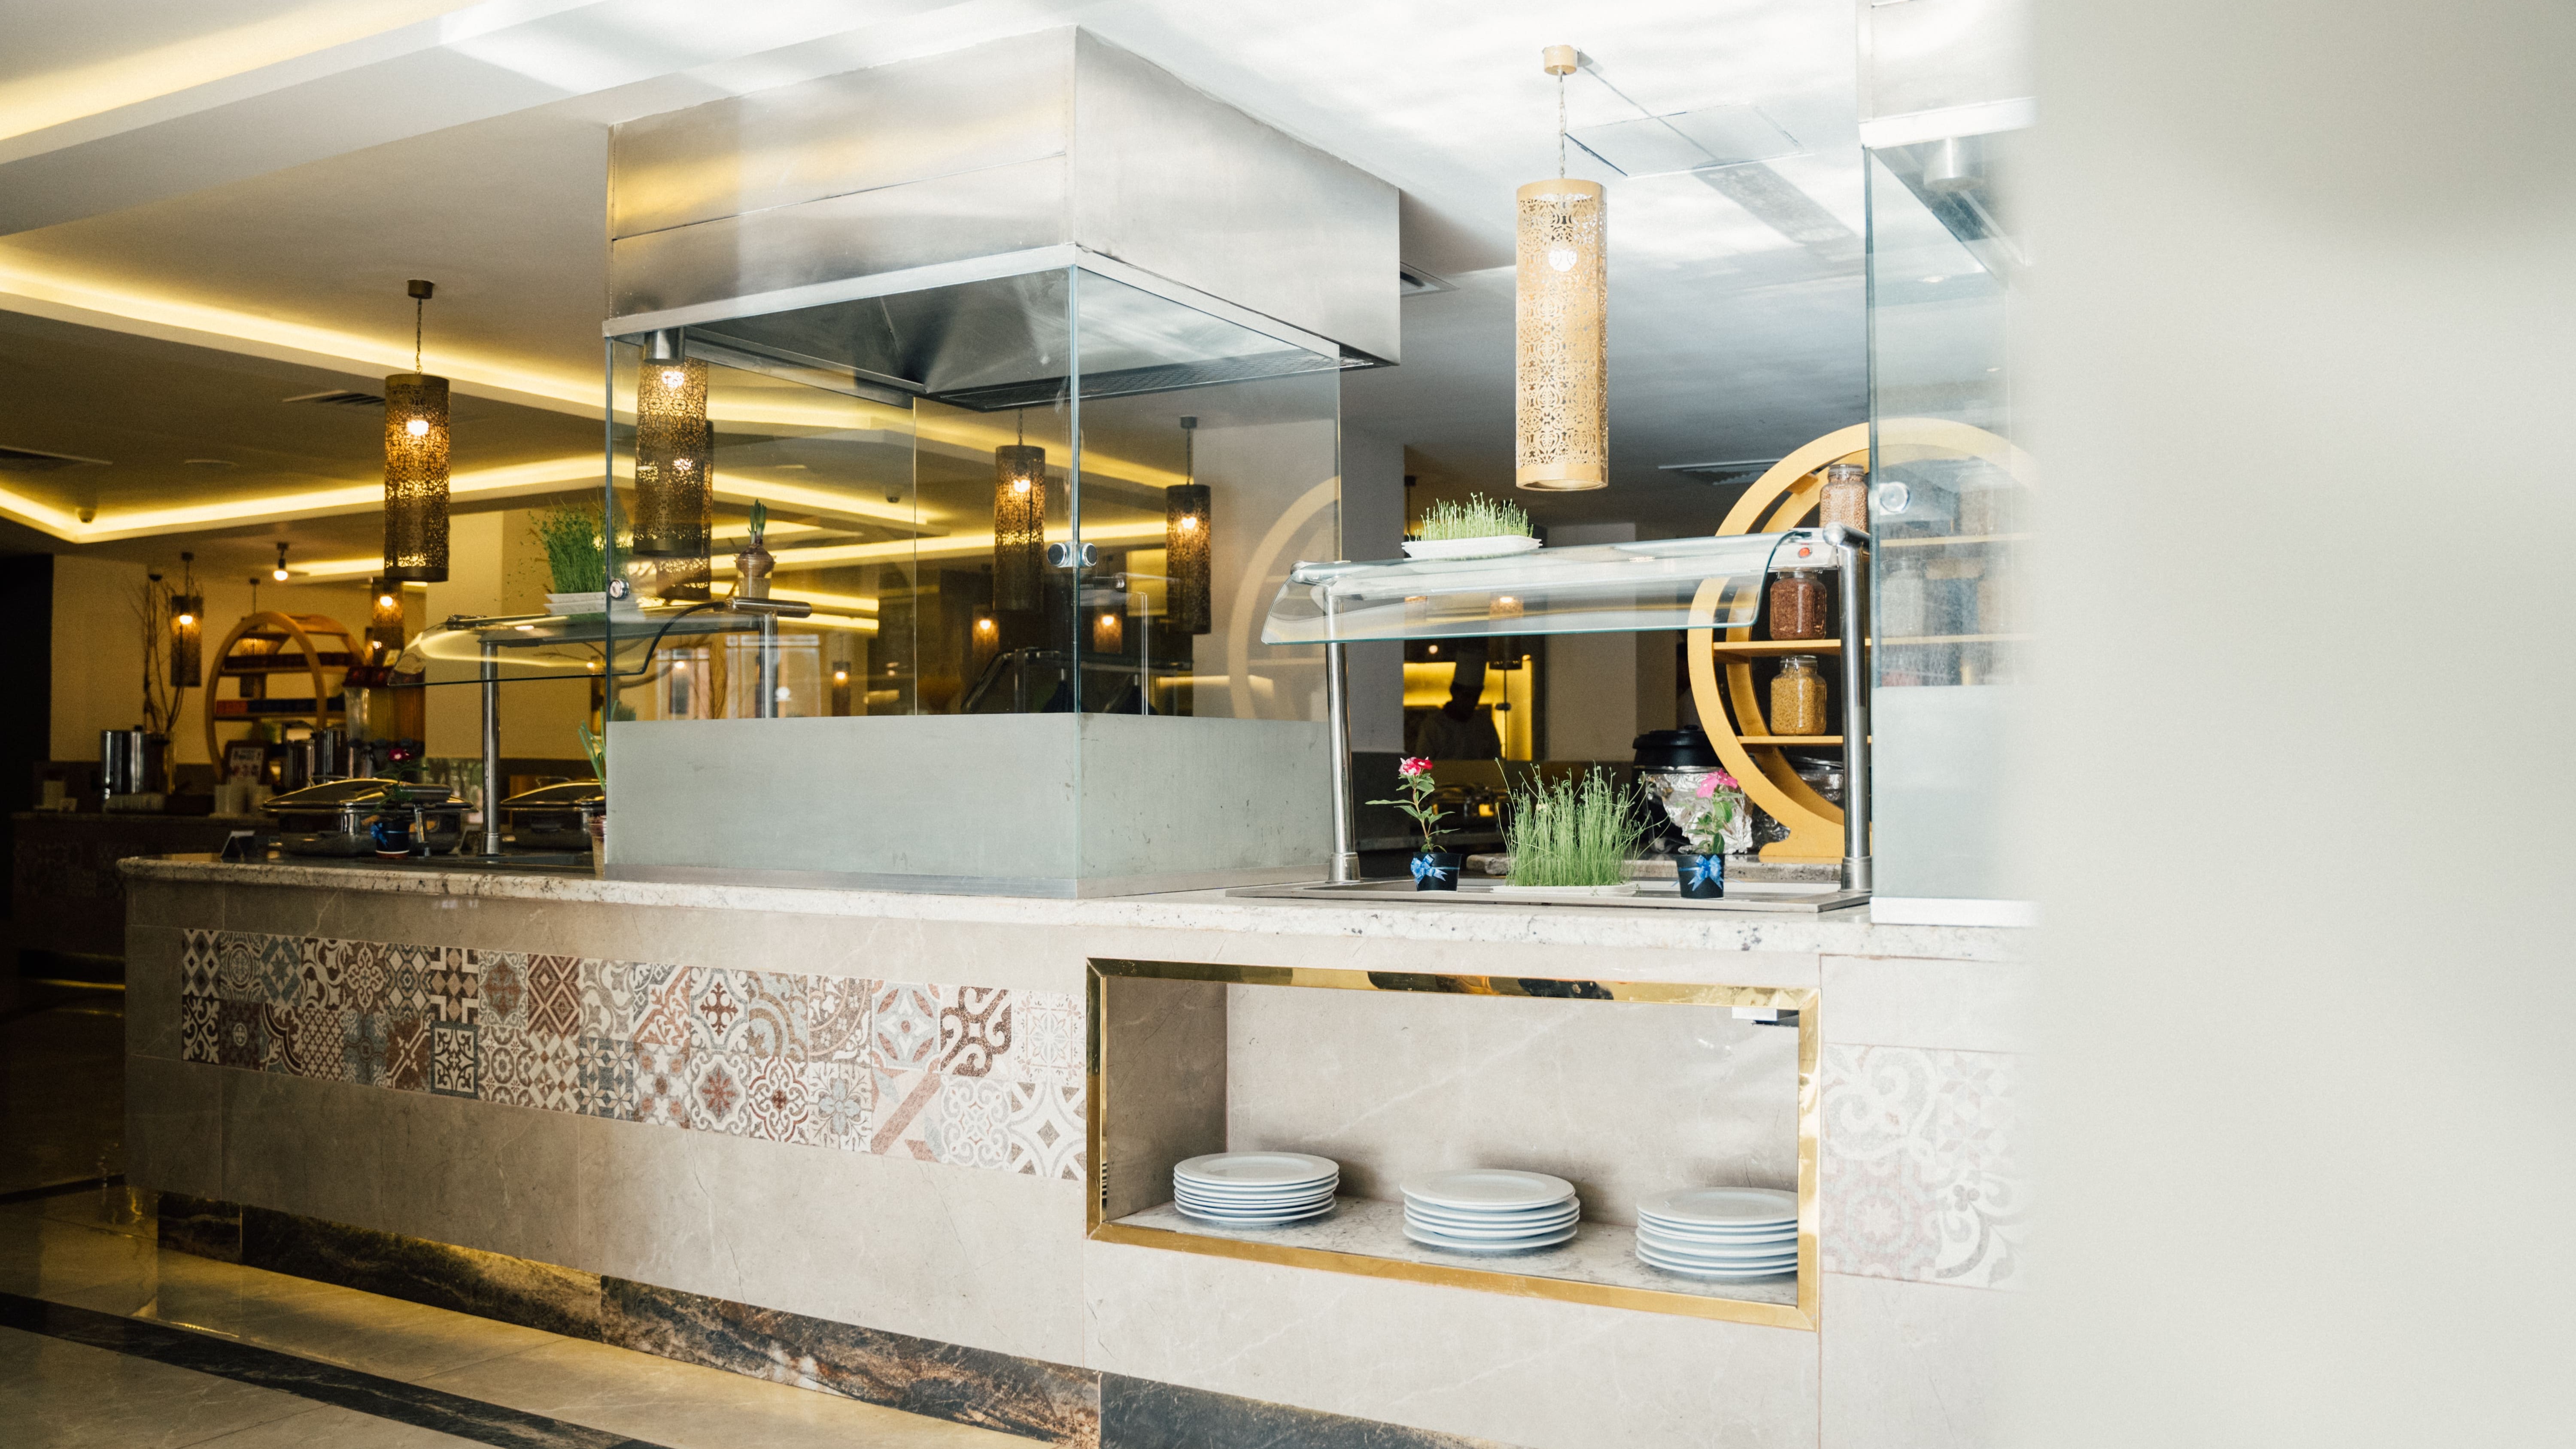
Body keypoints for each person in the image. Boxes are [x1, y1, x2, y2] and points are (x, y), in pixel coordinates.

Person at [1409, 639, 1502, 759]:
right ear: (1454, 691)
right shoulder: (1433, 727)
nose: (1471, 702)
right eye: (1466, 696)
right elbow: (1422, 766)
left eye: (1476, 696)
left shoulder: (1484, 725)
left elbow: (1497, 763)